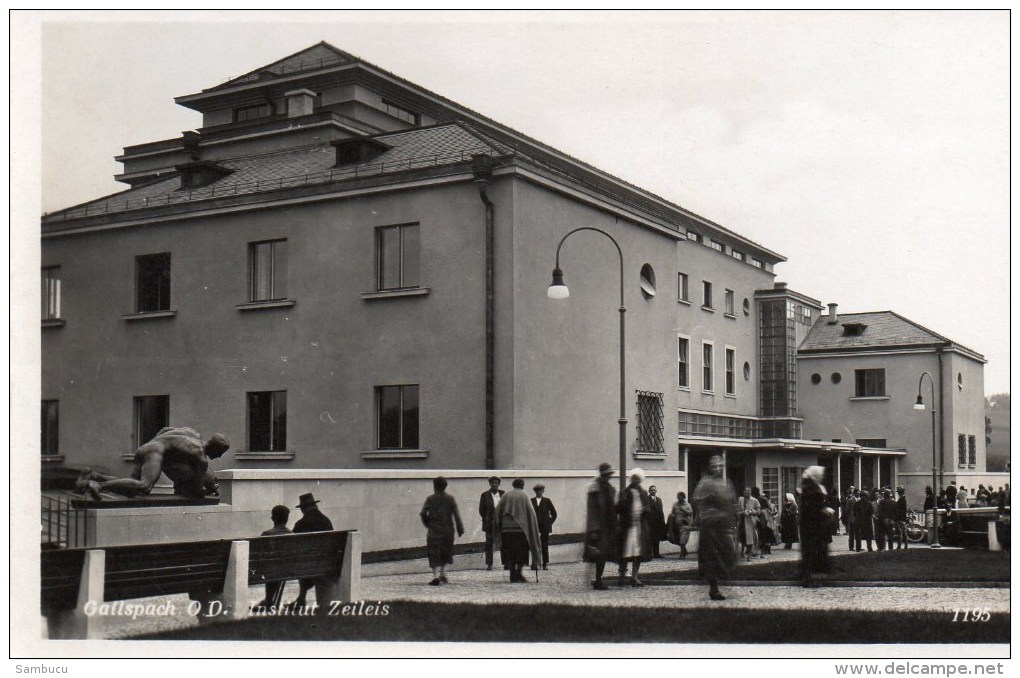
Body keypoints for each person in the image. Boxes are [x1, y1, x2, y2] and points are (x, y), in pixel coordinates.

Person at [74, 426, 228, 500]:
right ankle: (99, 486)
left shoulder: (192, 432)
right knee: (145, 485)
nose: (219, 457)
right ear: (215, 448)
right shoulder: (201, 459)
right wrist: (208, 489)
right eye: (220, 454)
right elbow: (197, 489)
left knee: (133, 489)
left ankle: (93, 475)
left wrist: (160, 448)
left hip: (148, 447)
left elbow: (164, 429)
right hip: (154, 452)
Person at [691, 455, 737, 601]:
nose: (717, 468)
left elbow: (731, 502)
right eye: (714, 466)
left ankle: (718, 583)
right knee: (711, 557)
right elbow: (696, 500)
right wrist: (709, 504)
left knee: (728, 555)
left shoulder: (726, 483)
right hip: (710, 526)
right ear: (710, 467)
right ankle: (714, 588)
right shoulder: (705, 482)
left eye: (720, 466)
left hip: (722, 526)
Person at [289, 492, 334, 609]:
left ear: (303, 509)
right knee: (307, 561)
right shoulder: (326, 521)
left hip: (307, 567)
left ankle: (301, 598)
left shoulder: (300, 524)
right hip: (328, 564)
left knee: (303, 561)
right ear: (315, 506)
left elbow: (292, 546)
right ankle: (301, 598)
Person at [494, 478, 542, 583]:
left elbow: (498, 511)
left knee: (510, 551)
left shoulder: (505, 495)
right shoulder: (524, 495)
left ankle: (512, 573)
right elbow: (531, 513)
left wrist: (498, 526)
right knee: (522, 552)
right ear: (522, 485)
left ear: (513, 485)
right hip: (520, 530)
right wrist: (533, 527)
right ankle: (519, 572)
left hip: (506, 530)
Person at [420, 476, 465, 586]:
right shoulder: (450, 498)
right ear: (445, 486)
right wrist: (460, 529)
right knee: (446, 550)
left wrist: (428, 524)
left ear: (435, 486)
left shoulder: (430, 499)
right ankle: (442, 573)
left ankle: (435, 576)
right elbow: (456, 515)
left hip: (434, 529)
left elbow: (423, 513)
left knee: (433, 551)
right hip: (448, 529)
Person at [584, 462, 619, 590]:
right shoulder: (595, 489)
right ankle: (592, 579)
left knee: (602, 554)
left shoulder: (610, 488)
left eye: (610, 474)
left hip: (607, 526)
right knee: (594, 553)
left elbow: (613, 507)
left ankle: (598, 579)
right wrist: (594, 528)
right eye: (608, 474)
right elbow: (592, 509)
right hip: (597, 526)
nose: (609, 476)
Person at [616, 469, 653, 586]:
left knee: (638, 553)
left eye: (637, 478)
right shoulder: (625, 492)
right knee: (625, 553)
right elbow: (618, 508)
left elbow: (648, 509)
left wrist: (644, 510)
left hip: (639, 527)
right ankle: (622, 576)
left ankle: (634, 577)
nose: (635, 481)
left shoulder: (643, 493)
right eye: (634, 478)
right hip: (627, 527)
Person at [799, 466, 832, 588]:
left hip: (814, 526)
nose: (821, 477)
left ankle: (813, 579)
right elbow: (812, 509)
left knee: (815, 552)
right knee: (811, 552)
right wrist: (824, 511)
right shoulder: (810, 489)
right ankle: (808, 579)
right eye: (820, 475)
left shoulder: (813, 488)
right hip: (811, 526)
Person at [254, 505, 291, 610]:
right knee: (276, 566)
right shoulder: (291, 534)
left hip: (270, 570)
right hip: (287, 570)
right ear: (287, 519)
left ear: (272, 518)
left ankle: (268, 600)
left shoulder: (267, 534)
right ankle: (268, 600)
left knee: (272, 567)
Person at [478, 476, 504, 570]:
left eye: (496, 483)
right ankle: (489, 564)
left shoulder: (503, 494)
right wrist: (488, 519)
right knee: (489, 543)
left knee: (503, 542)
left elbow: (505, 507)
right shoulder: (485, 495)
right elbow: (481, 510)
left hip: (501, 522)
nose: (494, 484)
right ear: (490, 484)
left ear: (499, 484)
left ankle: (506, 563)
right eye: (492, 483)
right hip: (489, 523)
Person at [530, 484, 557, 569]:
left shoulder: (547, 501)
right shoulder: (531, 501)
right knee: (534, 545)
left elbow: (554, 514)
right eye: (537, 490)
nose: (539, 492)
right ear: (535, 491)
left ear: (543, 491)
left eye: (540, 490)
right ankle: (535, 563)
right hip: (535, 526)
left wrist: (549, 523)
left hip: (545, 527)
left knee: (544, 545)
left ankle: (545, 563)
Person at [668, 491, 694, 558]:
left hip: (685, 525)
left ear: (683, 497)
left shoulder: (688, 505)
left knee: (682, 540)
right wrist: (672, 516)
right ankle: (684, 551)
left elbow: (690, 513)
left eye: (680, 498)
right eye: (678, 497)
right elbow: (673, 513)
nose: (679, 499)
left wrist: (683, 510)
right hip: (676, 526)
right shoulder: (675, 504)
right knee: (678, 540)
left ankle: (682, 554)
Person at [737, 486, 761, 560]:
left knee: (750, 539)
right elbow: (736, 509)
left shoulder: (755, 501)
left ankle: (749, 555)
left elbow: (759, 511)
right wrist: (742, 513)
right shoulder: (740, 499)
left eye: (749, 492)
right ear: (743, 492)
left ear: (751, 492)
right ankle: (741, 552)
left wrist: (752, 512)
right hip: (741, 521)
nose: (747, 493)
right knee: (741, 538)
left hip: (750, 522)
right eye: (746, 492)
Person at [752, 487, 776, 555]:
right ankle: (766, 548)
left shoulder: (757, 499)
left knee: (762, 534)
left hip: (761, 518)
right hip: (765, 519)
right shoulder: (762, 499)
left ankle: (763, 548)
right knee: (766, 534)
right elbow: (769, 508)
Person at [647, 485, 667, 558]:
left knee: (657, 538)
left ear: (656, 491)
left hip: (657, 523)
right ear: (649, 491)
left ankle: (656, 554)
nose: (653, 491)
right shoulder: (646, 499)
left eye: (654, 490)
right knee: (649, 539)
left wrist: (662, 522)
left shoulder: (659, 500)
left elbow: (661, 512)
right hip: (650, 523)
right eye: (651, 490)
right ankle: (649, 554)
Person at [844, 487, 859, 551]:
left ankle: (858, 546)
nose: (858, 494)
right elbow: (847, 510)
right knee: (852, 534)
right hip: (852, 519)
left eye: (859, 493)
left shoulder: (860, 500)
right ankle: (851, 547)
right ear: (854, 493)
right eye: (857, 493)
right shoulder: (850, 500)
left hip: (858, 519)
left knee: (858, 534)